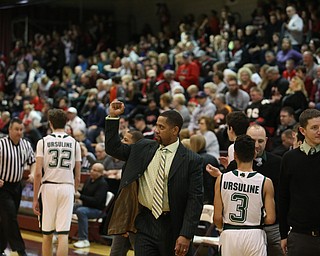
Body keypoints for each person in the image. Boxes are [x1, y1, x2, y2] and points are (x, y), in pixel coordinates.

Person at [105, 101, 203, 256]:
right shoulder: (143, 147)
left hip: (173, 226)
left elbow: (195, 200)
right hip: (145, 222)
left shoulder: (192, 160)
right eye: (156, 125)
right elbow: (113, 148)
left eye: (161, 127)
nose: (156, 130)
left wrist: (186, 234)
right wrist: (112, 117)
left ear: (175, 130)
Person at [208, 124, 283, 256]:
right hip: (254, 233)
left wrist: (221, 228)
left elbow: (217, 217)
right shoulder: (265, 181)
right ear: (254, 153)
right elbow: (271, 218)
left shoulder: (222, 178)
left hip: (229, 233)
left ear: (235, 155)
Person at [32, 109, 81, 256]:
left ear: (50, 123)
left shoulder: (43, 142)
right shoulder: (75, 143)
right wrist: (74, 190)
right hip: (67, 187)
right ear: (66, 123)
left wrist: (35, 198)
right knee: (63, 234)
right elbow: (77, 175)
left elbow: (38, 173)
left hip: (48, 187)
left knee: (47, 233)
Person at [279, 109, 320, 256]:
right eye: (314, 128)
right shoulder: (289, 158)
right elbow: (283, 197)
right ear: (302, 130)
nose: (319, 131)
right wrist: (283, 234)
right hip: (300, 236)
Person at [0, 118, 36, 256]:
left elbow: (32, 161)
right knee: (10, 217)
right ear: (9, 129)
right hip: (3, 187)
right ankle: (21, 250)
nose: (19, 132)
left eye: (21, 129)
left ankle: (0, 248)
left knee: (7, 218)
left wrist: (32, 173)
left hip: (17, 186)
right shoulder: (2, 144)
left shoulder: (26, 145)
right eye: (16, 129)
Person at [73, 163, 109, 248]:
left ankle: (84, 239)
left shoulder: (103, 184)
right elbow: (84, 194)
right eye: (92, 169)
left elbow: (96, 201)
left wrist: (80, 196)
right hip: (86, 207)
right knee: (69, 207)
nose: (91, 171)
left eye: (95, 170)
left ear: (101, 173)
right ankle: (58, 234)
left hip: (98, 210)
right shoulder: (89, 180)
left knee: (81, 211)